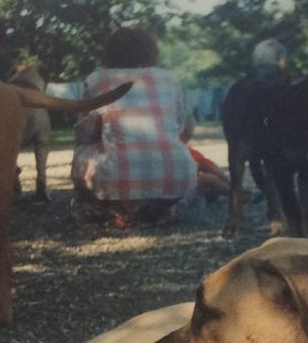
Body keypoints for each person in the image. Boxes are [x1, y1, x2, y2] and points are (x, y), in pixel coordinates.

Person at [70, 26, 197, 229]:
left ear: (110, 53)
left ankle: (102, 207)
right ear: (151, 51)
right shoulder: (170, 79)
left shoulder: (97, 80)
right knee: (171, 151)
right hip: (177, 175)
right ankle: (161, 208)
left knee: (82, 149)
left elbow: (85, 133)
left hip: (116, 178)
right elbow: (184, 129)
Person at [179, 114, 235, 201]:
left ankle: (234, 189)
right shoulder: (185, 152)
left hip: (179, 188)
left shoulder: (183, 150)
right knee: (208, 177)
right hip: (181, 192)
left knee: (207, 167)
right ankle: (236, 193)